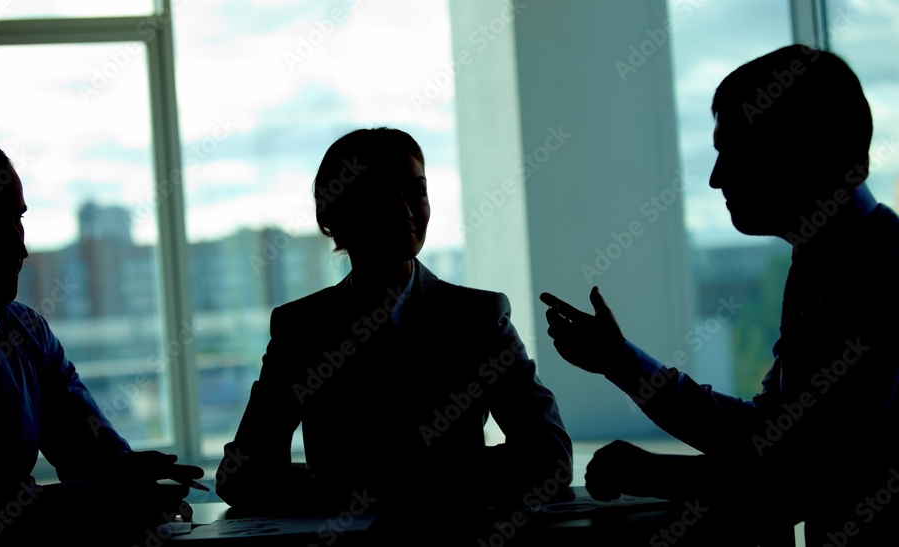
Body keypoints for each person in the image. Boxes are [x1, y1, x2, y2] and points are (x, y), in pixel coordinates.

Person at [543, 45, 899, 544]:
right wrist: (621, 362)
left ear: (794, 150)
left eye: (730, 151)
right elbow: (777, 436)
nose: (714, 178)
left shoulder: (879, 275)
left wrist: (653, 472)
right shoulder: (832, 263)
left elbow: (811, 478)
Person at [216, 127, 572, 526]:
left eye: (417, 192)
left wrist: (349, 483)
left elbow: (551, 457)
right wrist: (436, 474)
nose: (405, 211)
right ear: (331, 214)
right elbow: (240, 476)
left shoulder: (476, 316)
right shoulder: (301, 327)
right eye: (381, 195)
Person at [0, 134, 204, 545]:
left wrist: (128, 473)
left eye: (18, 218)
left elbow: (90, 452)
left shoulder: (27, 333)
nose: (19, 246)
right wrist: (100, 500)